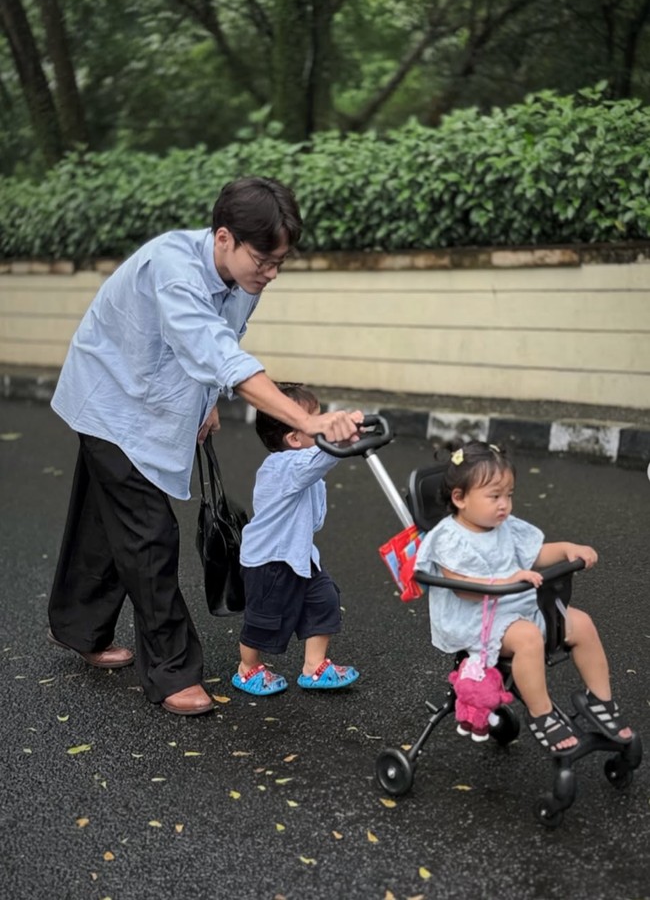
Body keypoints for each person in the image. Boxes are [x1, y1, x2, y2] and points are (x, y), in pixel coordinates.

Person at [47, 177, 363, 716]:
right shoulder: (174, 269)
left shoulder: (242, 281)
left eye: (279, 263)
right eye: (263, 260)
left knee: (103, 523)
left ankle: (81, 629)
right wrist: (307, 424)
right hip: (110, 400)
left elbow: (218, 347)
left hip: (148, 396)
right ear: (224, 238)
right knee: (149, 534)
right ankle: (172, 672)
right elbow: (216, 349)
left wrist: (207, 398)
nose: (270, 273)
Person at [414, 440, 634, 752]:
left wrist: (567, 549)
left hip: (515, 604)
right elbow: (462, 586)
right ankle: (542, 714)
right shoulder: (449, 538)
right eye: (494, 496)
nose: (504, 504)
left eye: (509, 495)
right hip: (476, 618)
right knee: (529, 638)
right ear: (460, 498)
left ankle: (600, 700)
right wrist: (507, 578)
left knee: (581, 623)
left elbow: (536, 553)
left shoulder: (502, 525)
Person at [231, 382, 360, 696]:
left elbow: (317, 473)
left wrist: (354, 432)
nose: (322, 422)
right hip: (270, 560)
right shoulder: (282, 467)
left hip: (300, 554)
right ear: (294, 438)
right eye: (313, 421)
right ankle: (247, 668)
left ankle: (314, 665)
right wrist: (338, 437)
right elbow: (317, 462)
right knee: (265, 617)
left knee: (324, 600)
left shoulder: (301, 465)